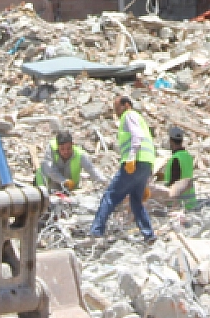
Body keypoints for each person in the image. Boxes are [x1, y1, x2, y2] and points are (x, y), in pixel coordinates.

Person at [89, 94, 157, 243]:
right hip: (145, 164)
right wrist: (146, 179)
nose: (116, 112)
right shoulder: (140, 118)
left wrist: (131, 158)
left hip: (134, 163)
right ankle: (149, 235)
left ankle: (96, 231)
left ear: (126, 105)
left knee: (110, 195)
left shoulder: (129, 115)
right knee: (136, 201)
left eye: (117, 108)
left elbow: (137, 136)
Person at [34, 130, 105, 193]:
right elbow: (49, 169)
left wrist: (103, 182)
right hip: (47, 186)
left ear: (72, 145)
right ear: (58, 147)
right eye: (62, 149)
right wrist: (64, 181)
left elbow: (91, 169)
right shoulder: (51, 149)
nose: (66, 152)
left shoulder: (79, 155)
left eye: (68, 148)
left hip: (70, 189)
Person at [150, 125, 199, 211]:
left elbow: (175, 183)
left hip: (179, 204)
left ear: (171, 141)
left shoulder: (176, 159)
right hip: (191, 202)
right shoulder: (188, 156)